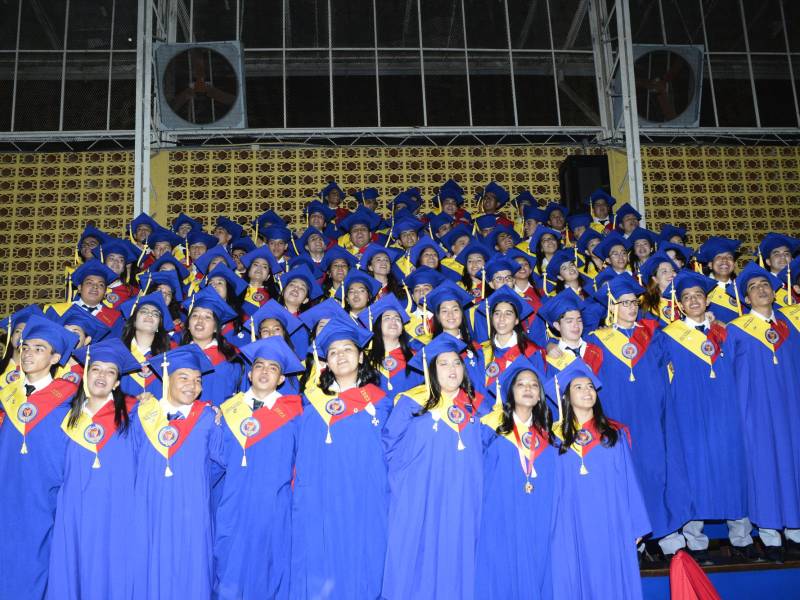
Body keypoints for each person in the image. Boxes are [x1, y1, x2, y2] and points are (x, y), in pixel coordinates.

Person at [585, 273, 692, 560]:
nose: (631, 307)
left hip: (652, 418)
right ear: (612, 306)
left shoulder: (653, 334)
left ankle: (665, 535)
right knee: (626, 478)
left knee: (656, 472)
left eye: (634, 302)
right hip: (618, 419)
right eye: (624, 303)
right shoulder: (597, 341)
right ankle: (634, 543)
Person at [382, 334, 486, 600]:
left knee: (458, 556)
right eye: (444, 364)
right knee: (419, 555)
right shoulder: (411, 402)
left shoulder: (478, 406)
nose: (453, 369)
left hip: (463, 497)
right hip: (421, 496)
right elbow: (389, 447)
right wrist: (407, 483)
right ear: (431, 370)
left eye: (457, 363)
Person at [292, 317, 390, 599]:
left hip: (365, 499)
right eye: (333, 352)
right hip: (322, 499)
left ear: (360, 357)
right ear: (326, 362)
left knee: (363, 564)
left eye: (347, 349)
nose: (340, 356)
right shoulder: (311, 404)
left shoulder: (381, 402)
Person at [659, 271, 752, 564]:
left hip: (726, 411)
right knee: (693, 470)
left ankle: (742, 537)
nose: (693, 301)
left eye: (698, 295)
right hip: (688, 414)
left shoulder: (726, 333)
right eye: (686, 297)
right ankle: (695, 540)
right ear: (680, 305)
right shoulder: (669, 336)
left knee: (731, 467)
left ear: (707, 300)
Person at [546, 359, 651, 600]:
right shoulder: (554, 439)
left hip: (610, 519)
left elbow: (629, 481)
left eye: (590, 386)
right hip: (570, 522)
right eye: (579, 387)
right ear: (566, 397)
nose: (587, 391)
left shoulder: (613, 435)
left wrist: (636, 524)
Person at [48, 339, 142, 600]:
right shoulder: (65, 417)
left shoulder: (135, 415)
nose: (101, 376)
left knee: (113, 570)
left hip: (117, 509)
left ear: (117, 382)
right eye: (96, 369)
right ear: (86, 375)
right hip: (74, 509)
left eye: (110, 372)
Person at [131, 345, 225, 599]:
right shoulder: (142, 415)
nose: (192, 386)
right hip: (149, 507)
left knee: (191, 570)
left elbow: (219, 462)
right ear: (167, 379)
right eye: (184, 377)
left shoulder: (208, 418)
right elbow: (130, 461)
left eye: (198, 380)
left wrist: (193, 481)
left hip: (192, 509)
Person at [214, 337, 305, 600]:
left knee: (269, 570)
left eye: (273, 368)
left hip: (274, 505)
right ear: (249, 374)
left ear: (281, 379)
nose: (265, 372)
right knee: (229, 568)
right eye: (259, 366)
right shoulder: (228, 410)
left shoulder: (295, 413)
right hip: (233, 504)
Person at [723, 262, 800, 563]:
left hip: (791, 412)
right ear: (746, 298)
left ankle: (795, 532)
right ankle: (769, 536)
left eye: (765, 284)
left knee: (793, 466)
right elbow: (728, 376)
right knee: (764, 469)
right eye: (753, 287)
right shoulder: (736, 330)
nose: (761, 290)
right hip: (755, 414)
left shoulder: (791, 327)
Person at [0, 316, 79, 599]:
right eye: (25, 347)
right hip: (6, 495)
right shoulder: (7, 397)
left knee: (37, 562)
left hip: (44, 500)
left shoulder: (67, 405)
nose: (28, 353)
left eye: (38, 348)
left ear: (55, 358)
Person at [475, 356, 556, 600]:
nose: (528, 389)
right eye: (521, 384)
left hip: (537, 516)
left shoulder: (549, 437)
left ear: (540, 395)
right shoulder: (490, 429)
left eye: (533, 385)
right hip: (499, 515)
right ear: (510, 392)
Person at [360, 293, 422, 397]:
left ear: (402, 329)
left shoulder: (417, 357)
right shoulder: (364, 358)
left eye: (397, 319)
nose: (393, 321)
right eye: (387, 318)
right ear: (378, 326)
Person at [118, 291, 174, 398]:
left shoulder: (169, 355)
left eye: (155, 314)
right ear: (134, 322)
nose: (150, 314)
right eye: (144, 311)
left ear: (159, 325)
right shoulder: (118, 352)